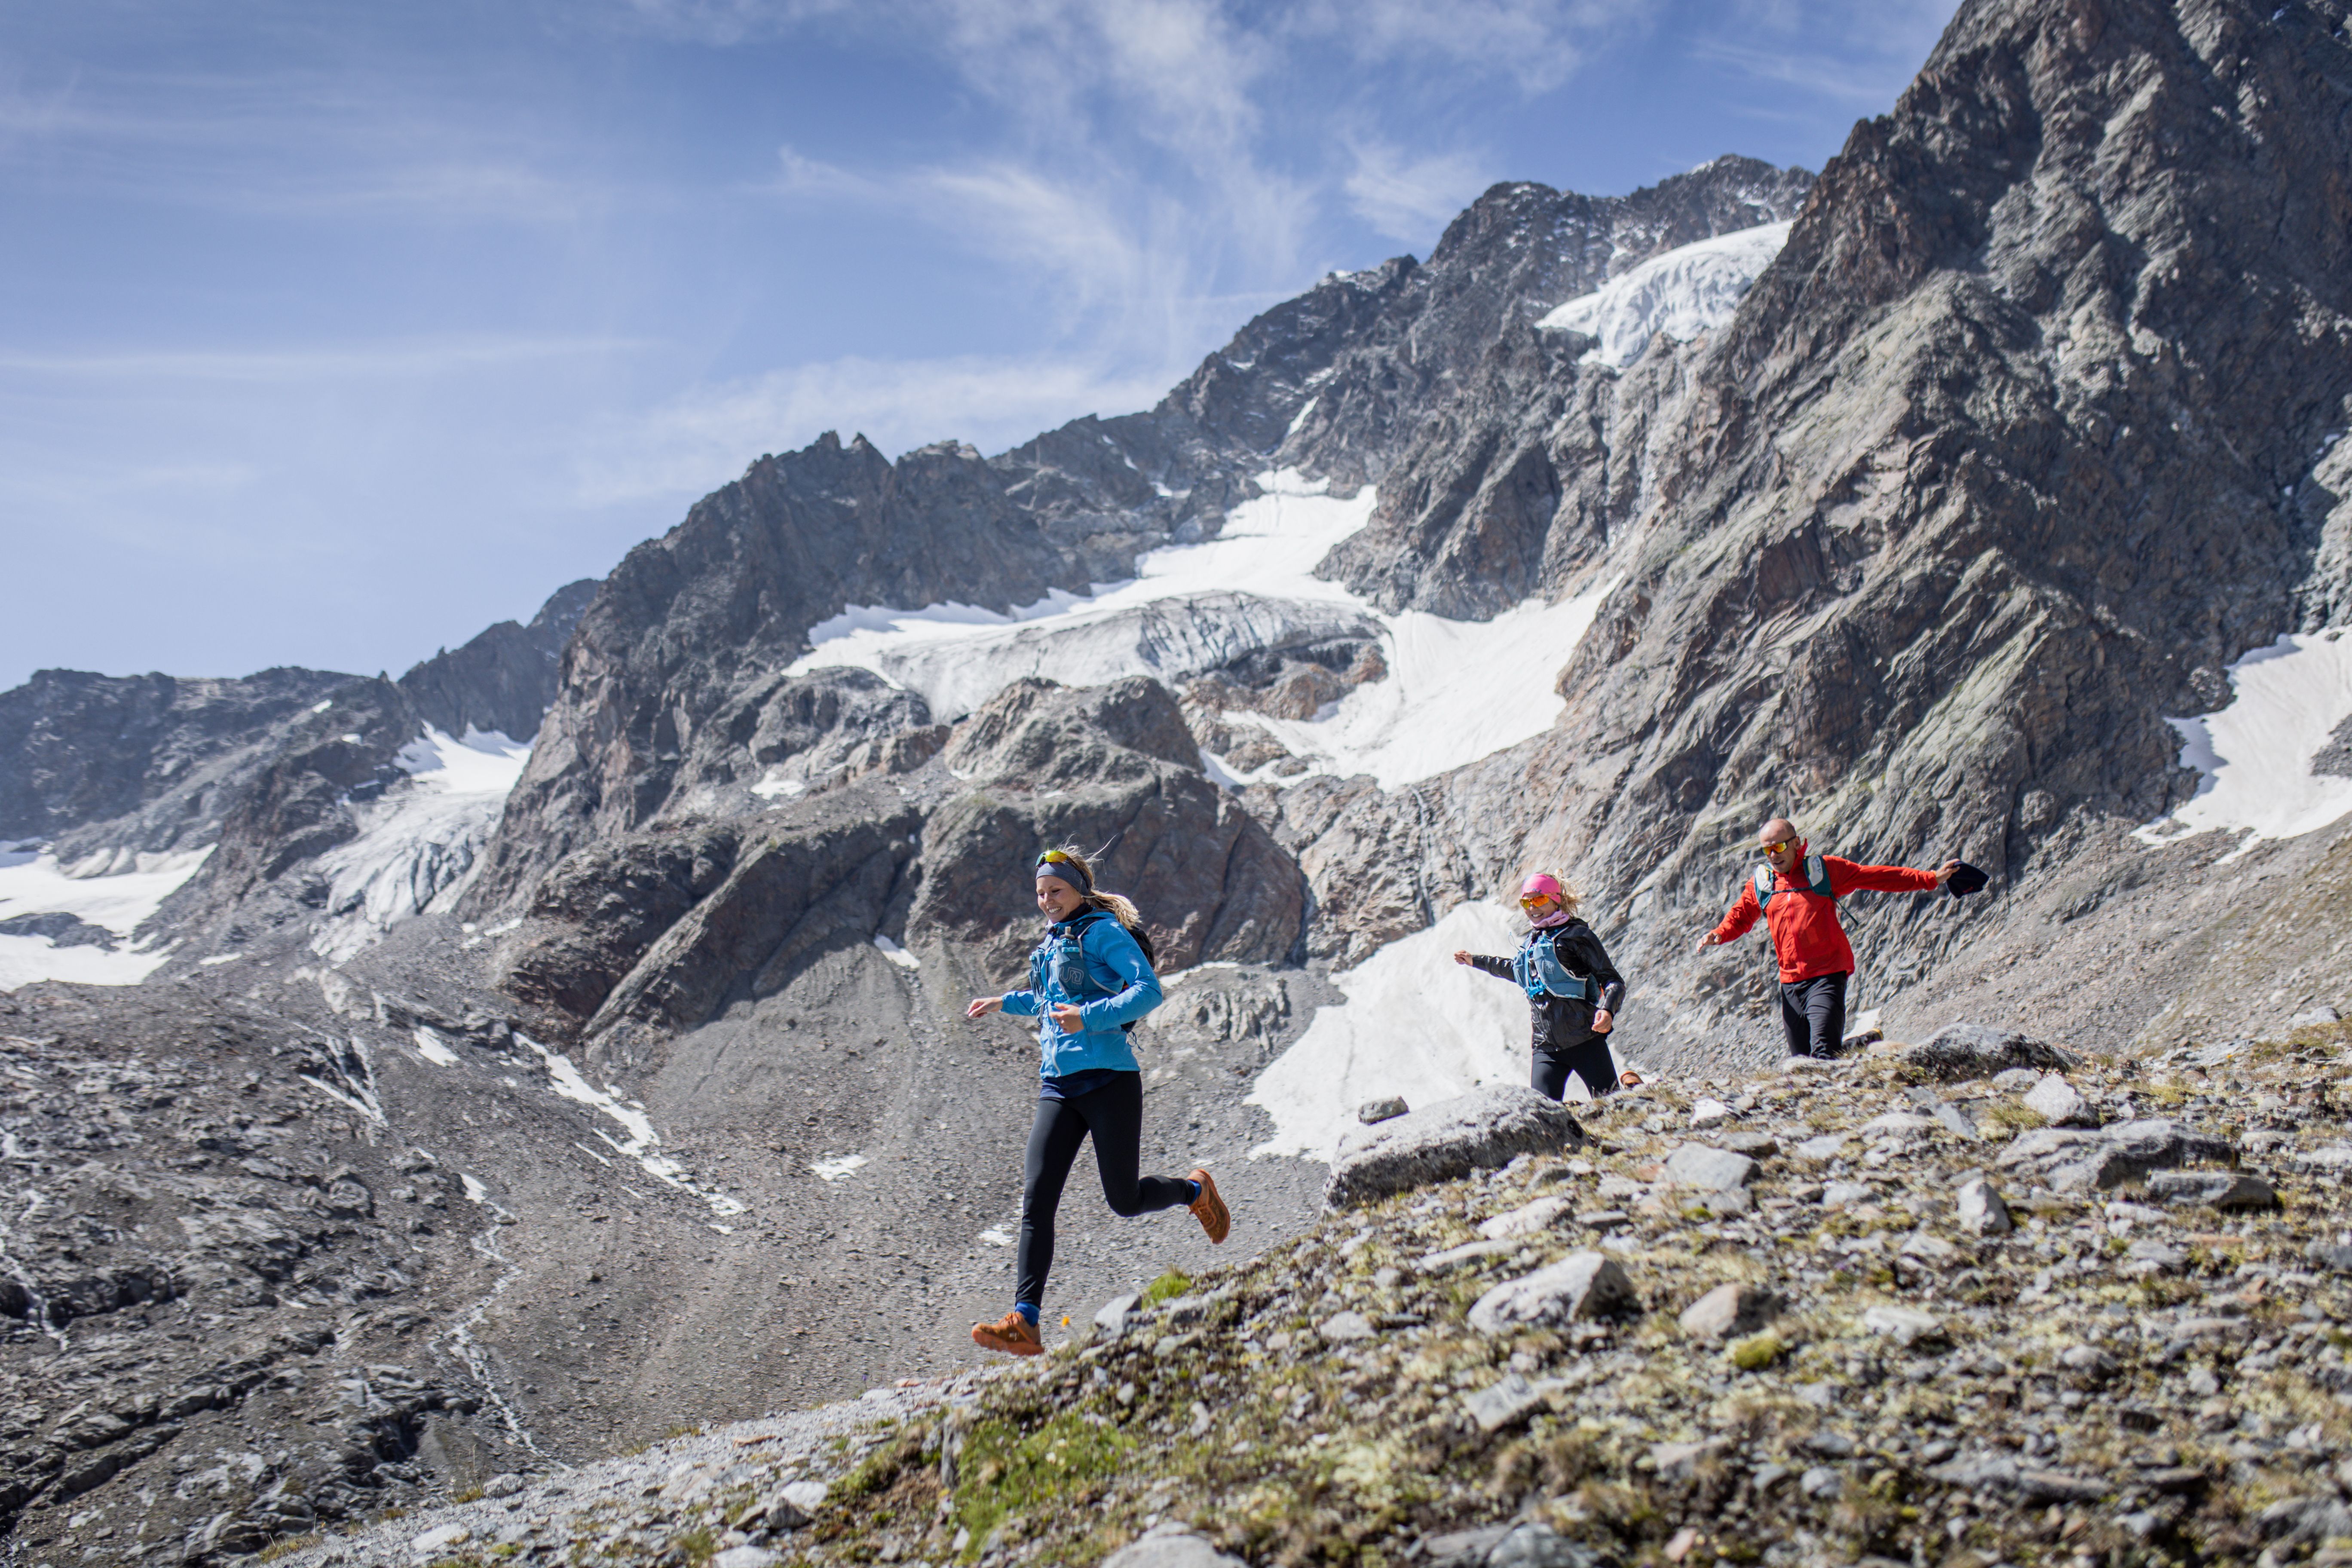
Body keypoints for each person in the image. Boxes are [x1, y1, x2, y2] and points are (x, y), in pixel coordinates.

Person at [963, 846, 1229, 1357]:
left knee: (1123, 1200)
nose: (1046, 901)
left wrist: (1090, 1019)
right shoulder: (1050, 944)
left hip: (1109, 1080)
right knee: (1037, 1201)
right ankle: (1026, 1319)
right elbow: (1047, 1000)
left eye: (1055, 891)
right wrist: (1003, 1002)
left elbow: (1148, 992)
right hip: (1058, 1087)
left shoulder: (1103, 934)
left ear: (1078, 890)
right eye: (1040, 894)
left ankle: (1194, 1191)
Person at [1698, 817, 1960, 1059]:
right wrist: (1719, 934)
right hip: (1790, 983)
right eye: (1767, 850)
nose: (1773, 856)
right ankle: (1865, 1042)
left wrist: (1930, 878)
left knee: (1822, 1056)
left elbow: (1875, 877)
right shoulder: (1763, 883)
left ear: (1797, 843)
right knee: (1803, 1062)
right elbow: (1741, 916)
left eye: (1778, 847)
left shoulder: (1823, 870)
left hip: (1827, 975)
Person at [1452, 873, 1629, 1101]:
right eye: (1526, 902)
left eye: (1539, 900)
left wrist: (1608, 1010)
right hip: (1545, 1047)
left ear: (1556, 900)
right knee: (1541, 1115)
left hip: (1585, 1039)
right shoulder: (1532, 943)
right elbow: (1516, 971)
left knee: (1614, 1106)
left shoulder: (1578, 936)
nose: (1531, 908)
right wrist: (1475, 961)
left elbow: (1613, 980)